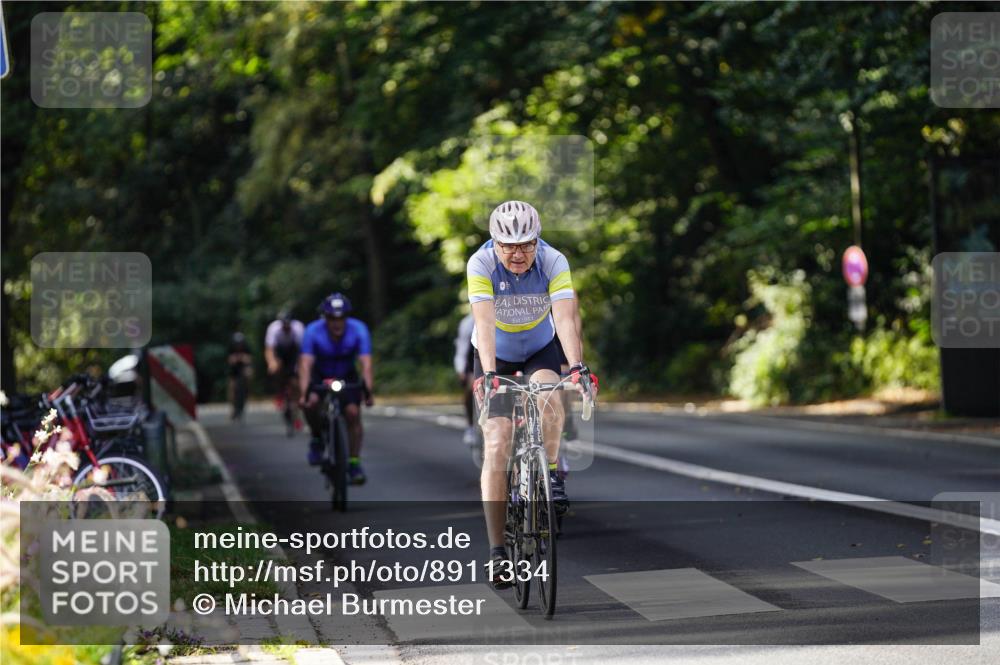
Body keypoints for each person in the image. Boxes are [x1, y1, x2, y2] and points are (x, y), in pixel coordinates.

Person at [467, 200, 596, 589]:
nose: (518, 253)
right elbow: (485, 324)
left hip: (540, 347)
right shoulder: (481, 264)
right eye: (508, 245)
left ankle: (552, 474)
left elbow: (566, 317)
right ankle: (496, 553)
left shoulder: (554, 261)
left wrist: (575, 366)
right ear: (495, 243)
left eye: (527, 244)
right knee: (498, 440)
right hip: (496, 355)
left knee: (549, 396)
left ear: (538, 241)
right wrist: (489, 374)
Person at [297, 293, 374, 484]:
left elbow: (365, 363)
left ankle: (354, 462)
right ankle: (316, 437)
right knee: (311, 403)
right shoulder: (313, 331)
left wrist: (368, 392)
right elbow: (305, 364)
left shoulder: (358, 329)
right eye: (332, 318)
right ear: (325, 318)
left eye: (341, 318)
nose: (337, 323)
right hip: (320, 374)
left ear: (347, 317)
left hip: (346, 375)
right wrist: (304, 392)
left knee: (353, 413)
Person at [265, 310, 305, 430]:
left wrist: (301, 368)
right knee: (276, 369)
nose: (286, 327)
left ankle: (297, 415)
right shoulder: (273, 328)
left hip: (293, 352)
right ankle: (279, 393)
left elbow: (302, 352)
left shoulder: (298, 328)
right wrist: (272, 363)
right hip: (280, 352)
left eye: (288, 324)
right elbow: (270, 349)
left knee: (296, 382)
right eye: (284, 324)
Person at [453, 311, 477, 446]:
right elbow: (461, 350)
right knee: (470, 386)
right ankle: (470, 426)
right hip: (473, 362)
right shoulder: (468, 323)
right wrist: (461, 370)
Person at [227, 332, 252, 421]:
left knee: (249, 374)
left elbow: (249, 359)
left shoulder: (246, 348)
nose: (239, 346)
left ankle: (246, 392)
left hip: (244, 368)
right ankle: (233, 407)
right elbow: (230, 360)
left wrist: (241, 358)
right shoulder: (231, 348)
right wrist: (239, 358)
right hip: (234, 370)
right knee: (232, 387)